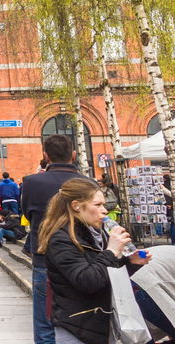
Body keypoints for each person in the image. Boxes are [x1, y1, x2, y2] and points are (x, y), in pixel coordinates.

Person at [40, 178, 149, 344]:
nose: (104, 211)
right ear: (76, 206)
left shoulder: (97, 233)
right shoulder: (61, 239)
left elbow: (106, 274)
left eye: (103, 205)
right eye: (97, 205)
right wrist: (111, 251)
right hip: (77, 327)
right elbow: (87, 281)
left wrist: (130, 262)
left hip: (101, 323)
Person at [22, 134, 91, 344]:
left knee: (45, 323)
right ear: (74, 155)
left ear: (46, 156)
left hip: (45, 258)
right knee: (82, 319)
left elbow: (27, 213)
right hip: (82, 260)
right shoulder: (88, 183)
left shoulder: (32, 182)